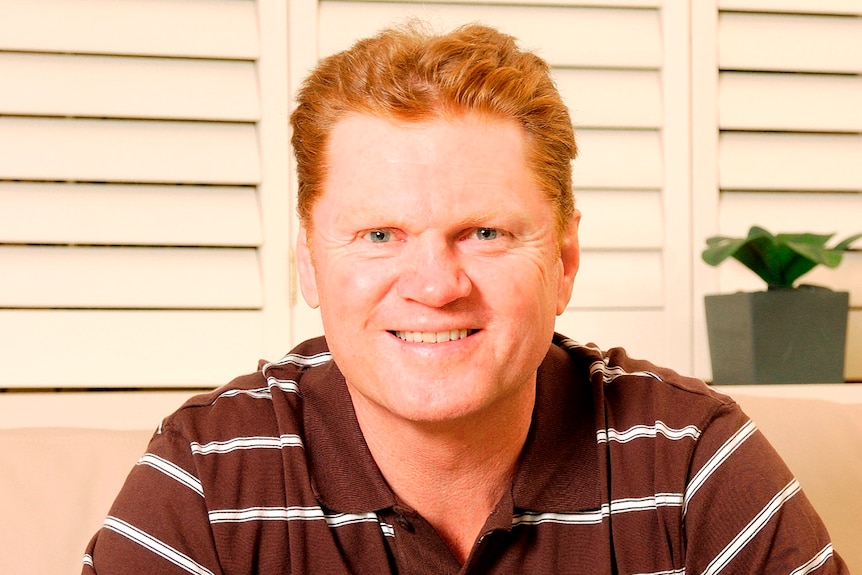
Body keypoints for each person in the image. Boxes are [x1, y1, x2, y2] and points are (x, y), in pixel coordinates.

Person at [83, 22, 848, 574]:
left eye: (484, 232)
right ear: (309, 263)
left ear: (565, 259)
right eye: (379, 234)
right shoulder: (209, 475)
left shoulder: (692, 459)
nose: (435, 285)